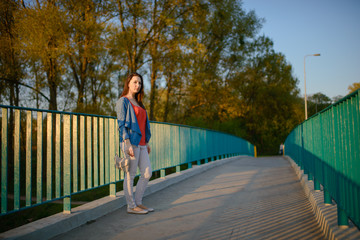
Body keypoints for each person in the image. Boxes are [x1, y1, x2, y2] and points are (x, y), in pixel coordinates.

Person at [115, 73, 153, 214]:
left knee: (147, 173)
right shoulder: (123, 101)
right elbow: (121, 125)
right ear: (128, 83)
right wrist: (128, 143)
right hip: (131, 142)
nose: (138, 85)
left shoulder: (139, 103)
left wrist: (147, 142)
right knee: (130, 175)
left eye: (140, 83)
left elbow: (143, 124)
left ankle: (138, 202)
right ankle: (131, 206)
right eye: (135, 82)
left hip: (142, 143)